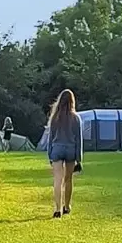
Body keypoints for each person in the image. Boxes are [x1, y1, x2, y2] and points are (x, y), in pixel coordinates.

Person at [42, 89, 83, 217]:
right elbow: (79, 140)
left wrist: (50, 154)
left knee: (57, 180)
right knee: (68, 179)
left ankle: (57, 209)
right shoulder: (76, 118)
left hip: (57, 149)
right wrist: (79, 158)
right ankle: (67, 206)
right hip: (70, 149)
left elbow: (50, 138)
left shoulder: (55, 117)